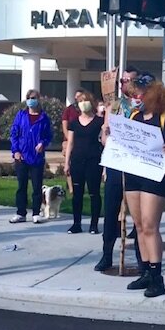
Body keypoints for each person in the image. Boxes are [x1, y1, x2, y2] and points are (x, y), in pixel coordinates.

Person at [118, 74, 165, 297]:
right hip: (134, 175)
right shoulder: (136, 117)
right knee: (138, 225)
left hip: (155, 176)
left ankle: (157, 276)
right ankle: (145, 270)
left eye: (139, 93)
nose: (136, 97)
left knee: (150, 225)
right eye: (134, 93)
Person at [95, 66, 143, 272]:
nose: (127, 84)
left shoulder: (143, 105)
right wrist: (106, 135)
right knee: (112, 210)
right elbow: (105, 136)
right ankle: (107, 254)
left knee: (140, 215)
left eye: (131, 80)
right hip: (116, 163)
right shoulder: (114, 106)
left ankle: (143, 257)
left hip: (137, 165)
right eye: (124, 81)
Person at [9, 89, 53, 224]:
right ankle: (21, 213)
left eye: (33, 97)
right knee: (21, 186)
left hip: (36, 157)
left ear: (38, 99)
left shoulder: (43, 117)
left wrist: (43, 143)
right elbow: (14, 134)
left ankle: (36, 212)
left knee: (36, 186)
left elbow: (48, 135)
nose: (31, 100)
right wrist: (15, 151)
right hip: (21, 156)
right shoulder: (21, 115)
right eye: (29, 98)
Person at [64, 90, 104, 234]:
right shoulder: (74, 123)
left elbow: (105, 143)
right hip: (77, 161)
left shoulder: (99, 122)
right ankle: (76, 223)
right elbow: (70, 143)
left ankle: (94, 224)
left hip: (94, 161)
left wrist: (105, 167)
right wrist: (67, 163)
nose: (83, 104)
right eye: (80, 101)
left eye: (85, 100)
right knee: (77, 194)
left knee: (94, 193)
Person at [62, 89, 84, 194]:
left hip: (81, 143)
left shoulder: (84, 109)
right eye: (76, 96)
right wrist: (69, 139)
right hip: (69, 140)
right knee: (69, 164)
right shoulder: (69, 110)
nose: (77, 98)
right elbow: (65, 125)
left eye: (80, 96)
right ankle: (71, 188)